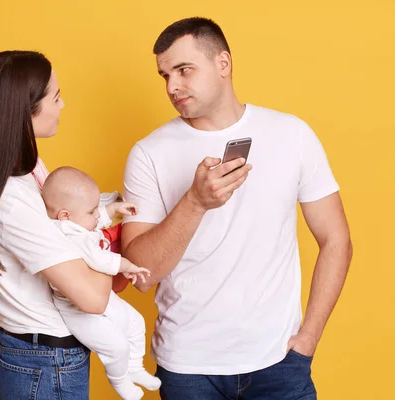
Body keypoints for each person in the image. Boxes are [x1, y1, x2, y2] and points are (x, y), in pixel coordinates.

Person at [121, 17, 353, 400]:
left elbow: (336, 239)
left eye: (184, 70)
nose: (172, 86)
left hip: (280, 362)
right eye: (164, 76)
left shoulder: (291, 134)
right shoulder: (149, 153)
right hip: (189, 368)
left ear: (223, 64)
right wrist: (195, 203)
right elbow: (142, 276)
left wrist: (308, 338)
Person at [0, 50, 113, 400]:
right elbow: (94, 299)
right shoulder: (11, 199)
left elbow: (55, 226)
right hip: (45, 360)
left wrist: (108, 209)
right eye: (55, 97)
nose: (63, 105)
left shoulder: (5, 174)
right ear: (26, 110)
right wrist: (103, 237)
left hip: (32, 353)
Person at [40, 166, 161, 400]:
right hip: (76, 309)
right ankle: (120, 380)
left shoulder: (72, 223)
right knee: (116, 346)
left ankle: (135, 367)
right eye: (92, 210)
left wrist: (113, 208)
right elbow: (100, 259)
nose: (97, 215)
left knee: (134, 322)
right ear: (65, 215)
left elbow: (91, 224)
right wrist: (129, 266)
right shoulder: (71, 235)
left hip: (99, 295)